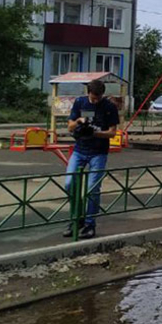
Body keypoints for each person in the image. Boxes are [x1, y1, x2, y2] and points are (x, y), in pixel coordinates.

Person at [64, 79, 120, 239]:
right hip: (80, 149)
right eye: (93, 98)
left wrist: (95, 133)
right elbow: (69, 126)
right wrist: (79, 122)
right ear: (88, 93)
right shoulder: (80, 103)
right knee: (69, 184)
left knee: (92, 189)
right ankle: (76, 219)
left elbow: (112, 132)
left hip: (98, 151)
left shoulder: (109, 107)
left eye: (99, 97)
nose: (96, 100)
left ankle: (90, 224)